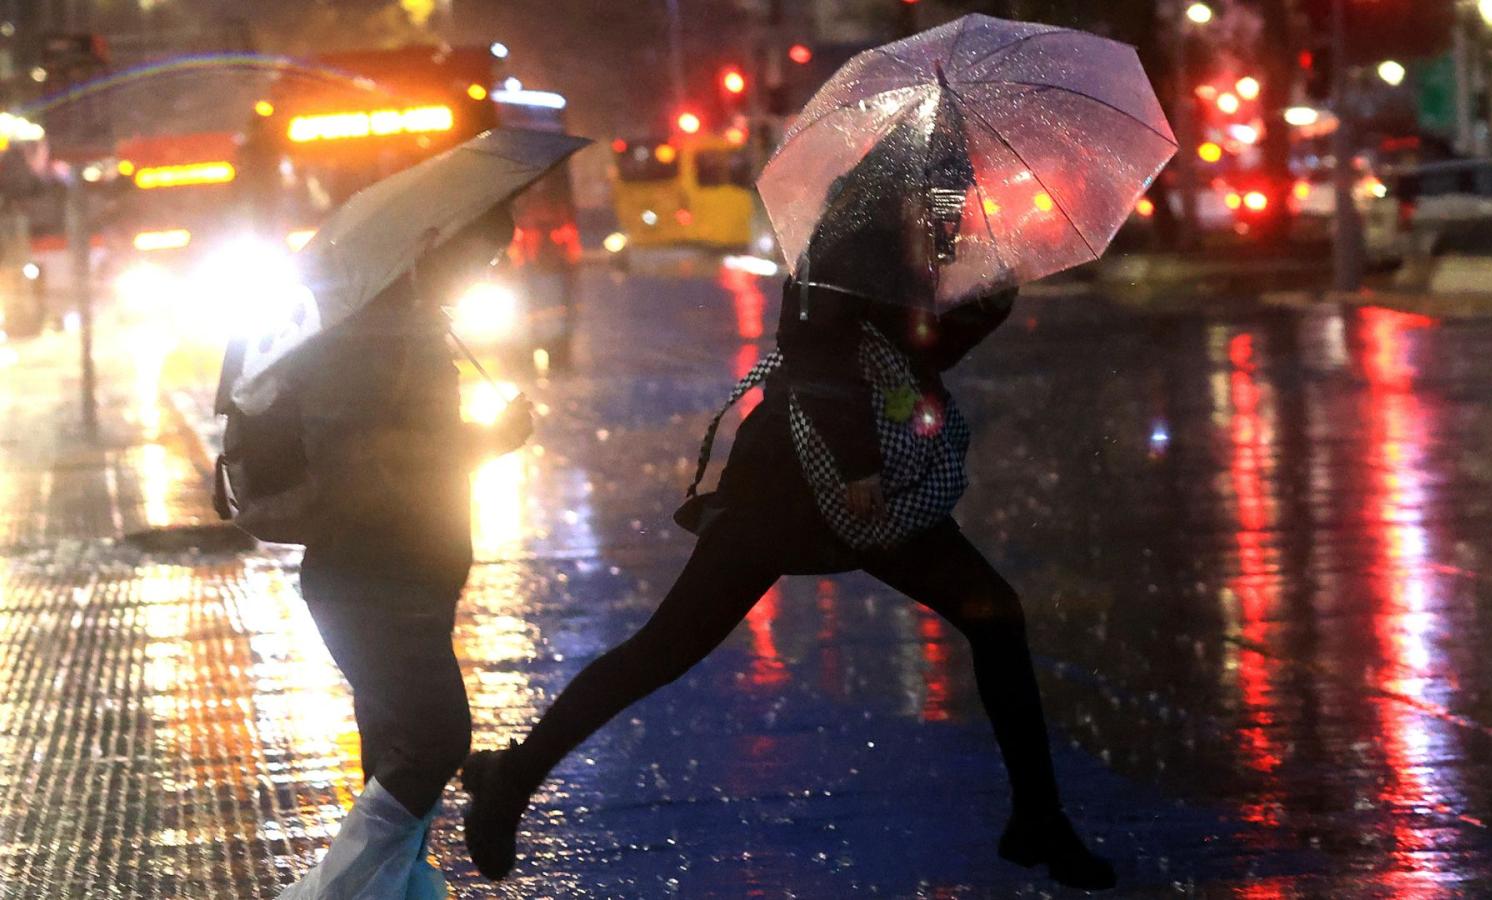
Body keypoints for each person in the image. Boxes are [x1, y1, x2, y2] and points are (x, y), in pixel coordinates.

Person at [460, 112, 1118, 892]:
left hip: (864, 468)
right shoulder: (855, 231)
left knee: (995, 614)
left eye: (961, 187)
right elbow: (813, 346)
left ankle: (1037, 818)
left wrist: (980, 300)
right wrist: (857, 463)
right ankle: (512, 777)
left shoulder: (912, 238)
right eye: (951, 183)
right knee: (668, 646)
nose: (959, 200)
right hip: (798, 474)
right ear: (915, 173)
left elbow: (916, 351)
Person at [280, 206, 533, 898]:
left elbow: (408, 452)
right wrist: (487, 440)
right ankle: (330, 893)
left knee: (394, 749)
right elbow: (364, 460)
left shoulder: (410, 326)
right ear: (435, 243)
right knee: (436, 737)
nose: (486, 271)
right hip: (371, 573)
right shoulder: (377, 334)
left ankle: (386, 889)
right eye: (481, 255)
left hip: (404, 573)